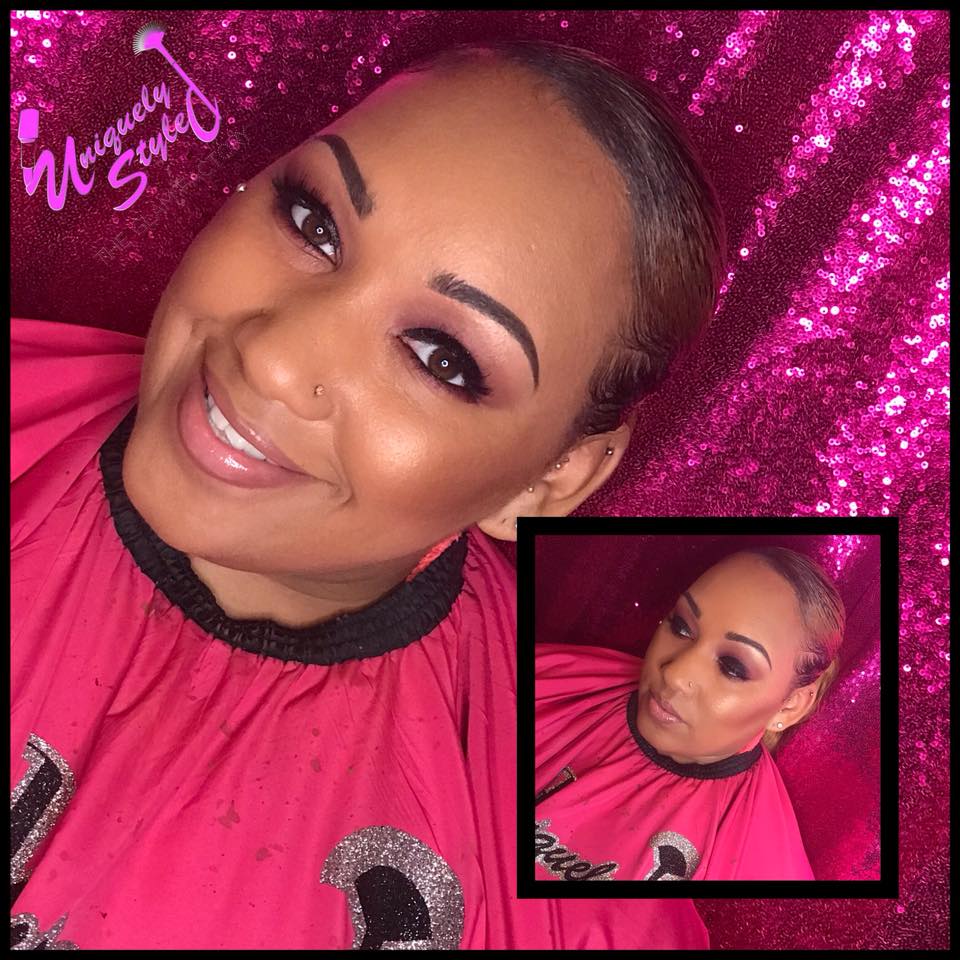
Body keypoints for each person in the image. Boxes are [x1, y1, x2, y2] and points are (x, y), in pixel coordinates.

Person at [11, 38, 725, 948]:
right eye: (314, 222)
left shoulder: (547, 870)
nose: (272, 359)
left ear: (554, 478)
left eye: (441, 357)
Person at [534, 547, 844, 881]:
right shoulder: (556, 682)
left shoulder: (764, 864)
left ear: (790, 705)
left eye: (732, 667)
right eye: (682, 627)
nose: (674, 674)